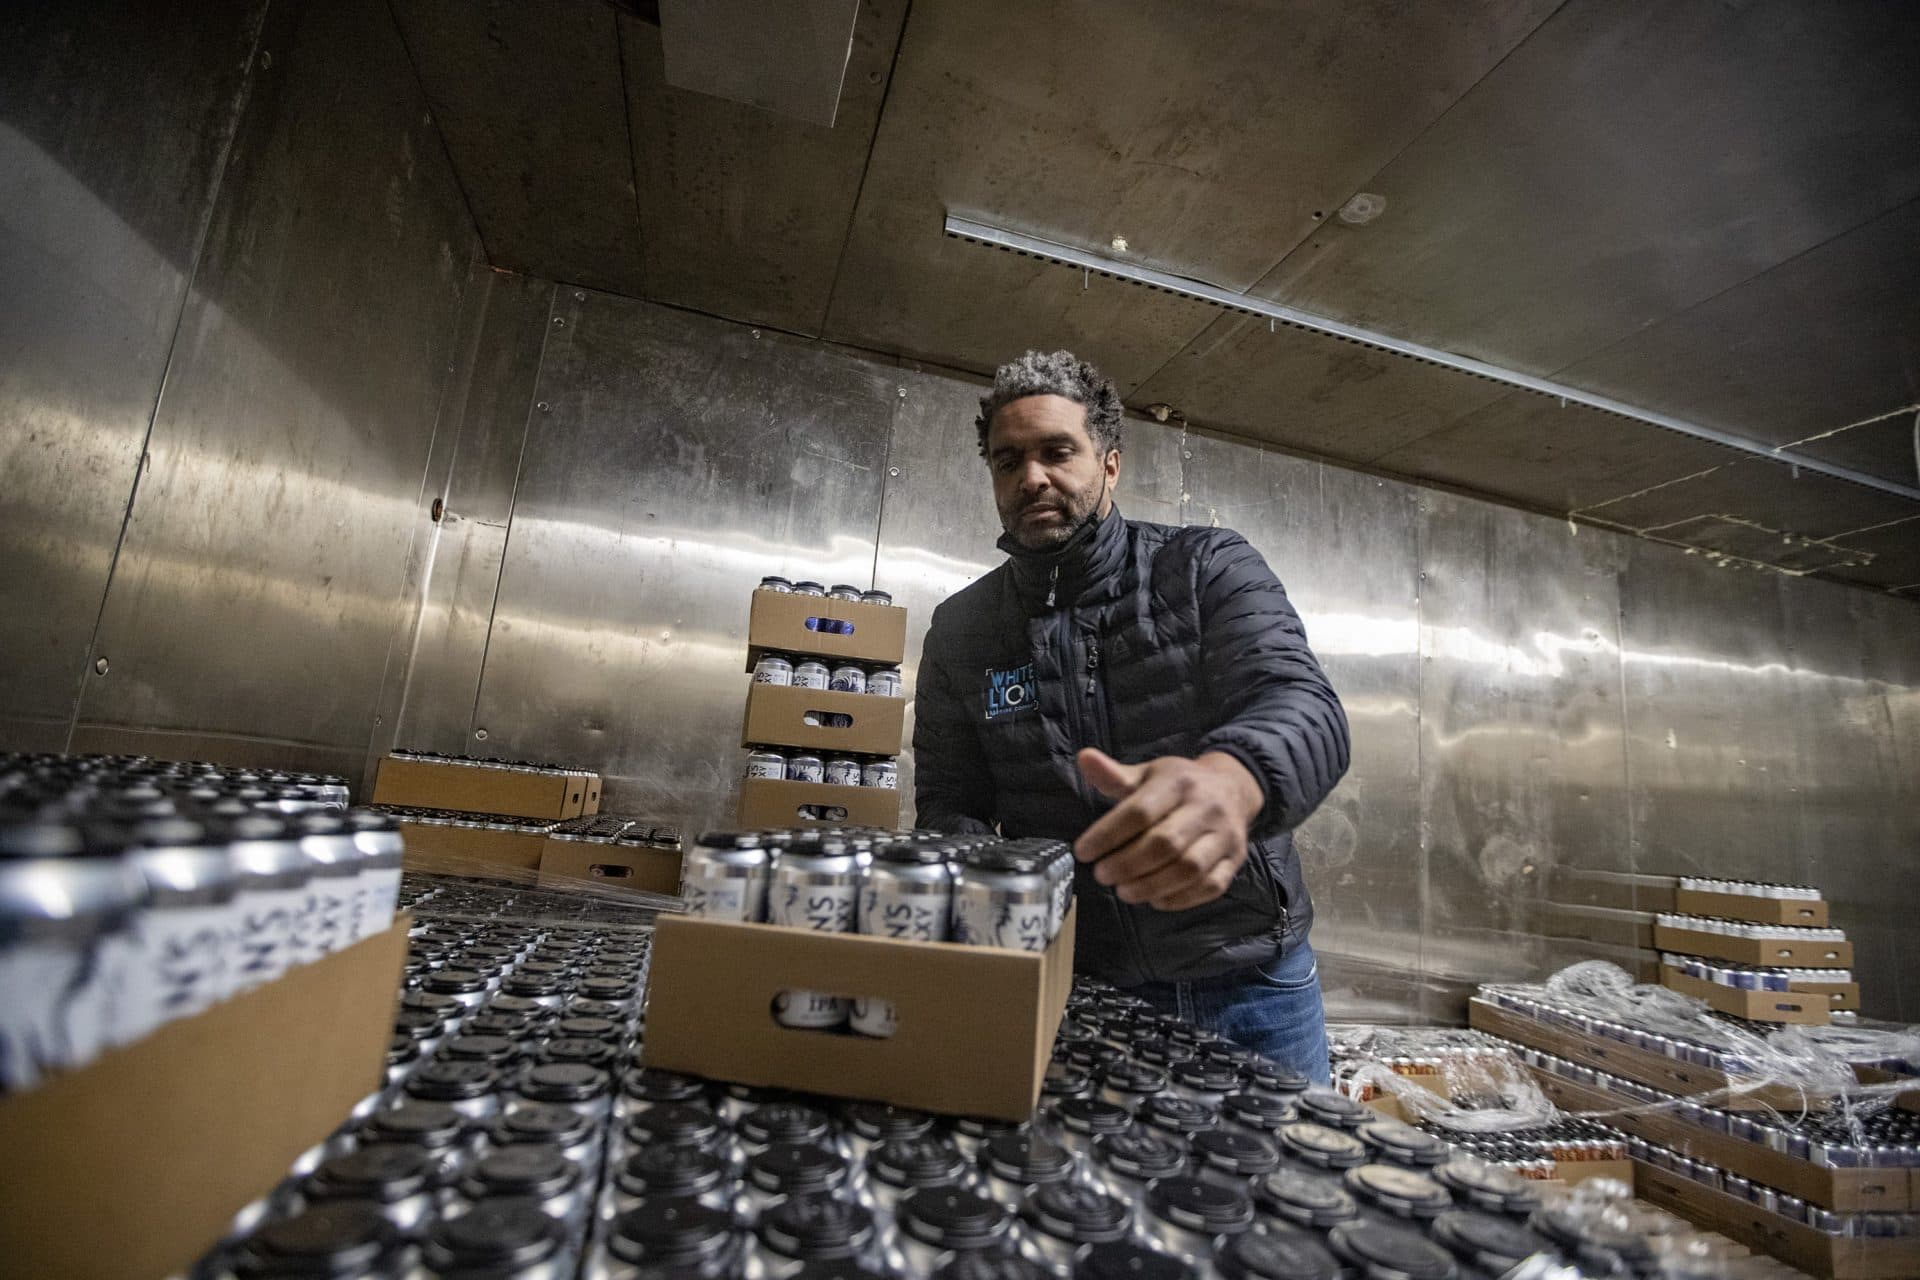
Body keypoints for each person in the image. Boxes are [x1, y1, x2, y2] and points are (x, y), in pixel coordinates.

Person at [912, 350, 1350, 1082]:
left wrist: (1234, 780)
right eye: (1007, 461)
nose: (1032, 479)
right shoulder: (962, 629)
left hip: (1250, 988)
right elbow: (949, 805)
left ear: (1110, 463)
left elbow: (1303, 705)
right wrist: (1002, 882)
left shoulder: (1204, 567)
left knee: (1287, 1189)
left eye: (1058, 452)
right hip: (1074, 988)